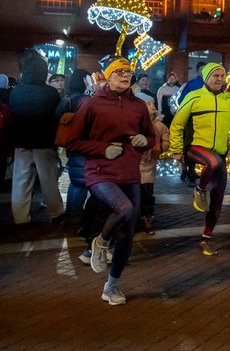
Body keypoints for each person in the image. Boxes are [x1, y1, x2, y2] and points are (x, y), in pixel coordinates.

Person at [64, 55, 156, 305]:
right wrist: (102, 149)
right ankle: (101, 241)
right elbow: (71, 142)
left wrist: (144, 141)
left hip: (129, 172)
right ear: (108, 75)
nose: (126, 76)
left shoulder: (138, 105)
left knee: (127, 234)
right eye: (120, 72)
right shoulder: (91, 104)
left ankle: (112, 286)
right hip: (100, 171)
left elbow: (150, 136)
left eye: (129, 72)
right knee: (124, 208)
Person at [169, 62, 230, 255]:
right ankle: (199, 189)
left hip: (219, 154)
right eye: (215, 75)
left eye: (222, 76)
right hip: (196, 149)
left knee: (218, 200)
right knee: (213, 162)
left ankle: (206, 238)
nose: (219, 79)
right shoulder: (194, 97)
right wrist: (177, 150)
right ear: (206, 78)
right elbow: (177, 125)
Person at [9, 49, 65, 225]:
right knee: (48, 180)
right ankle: (56, 212)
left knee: (20, 180)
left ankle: (20, 218)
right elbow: (56, 118)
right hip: (44, 143)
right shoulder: (51, 93)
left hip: (21, 142)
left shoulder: (16, 91)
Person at [56, 68, 94, 226]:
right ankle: (75, 217)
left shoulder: (67, 97)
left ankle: (71, 214)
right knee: (81, 182)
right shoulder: (85, 99)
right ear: (84, 80)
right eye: (89, 78)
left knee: (75, 181)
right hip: (82, 144)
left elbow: (57, 115)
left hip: (71, 144)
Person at [137, 94, 169, 235]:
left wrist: (161, 147)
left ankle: (147, 219)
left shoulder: (159, 125)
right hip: (134, 166)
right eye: (149, 104)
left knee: (147, 194)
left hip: (149, 166)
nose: (153, 106)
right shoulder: (136, 123)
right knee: (134, 194)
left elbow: (166, 141)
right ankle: (135, 219)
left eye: (153, 103)